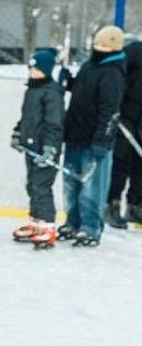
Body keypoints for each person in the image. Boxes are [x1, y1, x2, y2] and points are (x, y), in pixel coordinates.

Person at [58, 25, 127, 247]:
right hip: (75, 136)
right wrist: (69, 82)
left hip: (94, 141)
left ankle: (90, 227)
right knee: (71, 185)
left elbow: (110, 111)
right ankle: (73, 222)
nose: (98, 51)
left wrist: (101, 141)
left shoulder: (113, 74)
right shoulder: (89, 66)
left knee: (92, 188)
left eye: (103, 48)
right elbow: (82, 91)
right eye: (97, 46)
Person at [10, 49, 65, 248]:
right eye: (30, 68)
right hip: (31, 147)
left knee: (42, 187)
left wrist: (51, 148)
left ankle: (48, 225)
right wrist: (18, 133)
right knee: (32, 185)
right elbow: (26, 118)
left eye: (37, 69)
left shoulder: (52, 93)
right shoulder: (32, 90)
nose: (32, 72)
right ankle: (36, 222)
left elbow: (55, 124)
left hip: (45, 149)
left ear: (47, 70)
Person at [105, 38, 142, 228]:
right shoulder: (134, 51)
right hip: (125, 116)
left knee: (140, 163)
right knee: (121, 161)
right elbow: (115, 74)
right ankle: (112, 204)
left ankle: (135, 205)